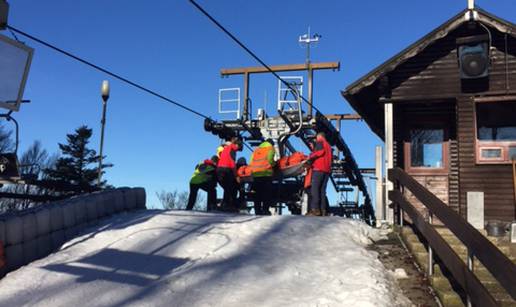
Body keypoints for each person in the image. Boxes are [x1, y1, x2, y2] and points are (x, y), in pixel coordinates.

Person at [307, 132, 332, 216]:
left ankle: (315, 209)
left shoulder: (320, 142)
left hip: (318, 169)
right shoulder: (328, 145)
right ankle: (323, 210)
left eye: (316, 137)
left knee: (315, 190)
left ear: (319, 136)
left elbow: (320, 152)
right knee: (322, 191)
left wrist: (311, 156)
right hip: (327, 171)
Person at [249, 139, 276, 215]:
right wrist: (274, 165)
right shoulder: (270, 148)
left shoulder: (256, 150)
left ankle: (257, 210)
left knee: (257, 194)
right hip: (266, 173)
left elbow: (251, 162)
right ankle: (265, 210)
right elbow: (270, 160)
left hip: (256, 174)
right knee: (266, 193)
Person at [217, 136, 242, 211]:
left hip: (219, 169)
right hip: (227, 169)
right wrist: (236, 176)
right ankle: (227, 205)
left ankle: (225, 204)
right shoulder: (232, 150)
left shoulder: (226, 148)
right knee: (229, 187)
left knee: (227, 187)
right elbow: (232, 163)